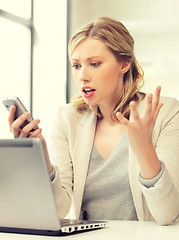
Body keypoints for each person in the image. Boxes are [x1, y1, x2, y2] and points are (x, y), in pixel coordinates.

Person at [8, 17, 179, 225]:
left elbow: (167, 214)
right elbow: (59, 211)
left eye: (94, 64)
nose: (83, 76)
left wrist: (144, 149)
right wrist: (39, 155)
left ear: (124, 64)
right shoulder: (67, 119)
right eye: (76, 66)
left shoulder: (165, 112)